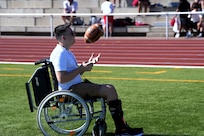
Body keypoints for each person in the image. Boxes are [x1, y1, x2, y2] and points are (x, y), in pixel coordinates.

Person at [50, 23, 144, 136]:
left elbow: (71, 73)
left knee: (109, 89)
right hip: (71, 90)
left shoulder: (65, 52)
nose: (75, 35)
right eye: (72, 33)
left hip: (75, 87)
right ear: (64, 38)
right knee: (109, 90)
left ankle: (122, 128)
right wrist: (81, 69)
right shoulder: (60, 53)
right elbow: (61, 78)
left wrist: (85, 67)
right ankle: (122, 129)